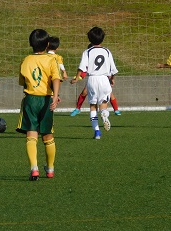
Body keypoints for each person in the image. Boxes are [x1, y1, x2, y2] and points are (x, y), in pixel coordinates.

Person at [16, 29, 61, 181]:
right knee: (48, 135)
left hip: (31, 99)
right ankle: (50, 169)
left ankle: (34, 168)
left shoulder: (25, 60)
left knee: (31, 134)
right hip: (46, 99)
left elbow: (23, 83)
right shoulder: (51, 59)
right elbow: (55, 78)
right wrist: (55, 96)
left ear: (30, 44)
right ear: (48, 44)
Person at [71, 27, 118, 139]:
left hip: (92, 79)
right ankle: (105, 115)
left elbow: (81, 68)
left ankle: (97, 132)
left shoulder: (87, 52)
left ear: (89, 39)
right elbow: (113, 69)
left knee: (93, 106)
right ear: (102, 39)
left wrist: (76, 78)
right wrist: (112, 79)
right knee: (103, 105)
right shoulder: (107, 51)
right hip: (104, 79)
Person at [70, 43, 121, 116]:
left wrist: (111, 78)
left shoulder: (90, 54)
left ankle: (116, 110)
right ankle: (78, 109)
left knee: (109, 95)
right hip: (97, 80)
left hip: (101, 79)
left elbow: (82, 69)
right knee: (85, 92)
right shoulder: (104, 53)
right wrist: (80, 77)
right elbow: (84, 71)